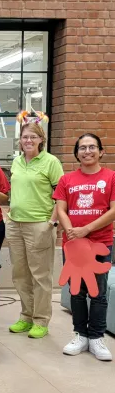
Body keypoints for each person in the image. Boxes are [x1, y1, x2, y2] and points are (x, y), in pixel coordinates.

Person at [54, 134, 115, 361]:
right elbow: (61, 209)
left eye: (92, 147)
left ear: (101, 151)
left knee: (97, 291)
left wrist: (86, 230)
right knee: (76, 292)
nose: (87, 151)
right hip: (73, 246)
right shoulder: (67, 180)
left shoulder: (111, 177)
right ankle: (80, 334)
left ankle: (96, 337)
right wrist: (72, 231)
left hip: (100, 243)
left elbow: (113, 210)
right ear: (76, 152)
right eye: (82, 147)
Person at [6, 122, 63, 339]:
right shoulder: (17, 162)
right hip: (15, 224)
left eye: (33, 137)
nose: (28, 140)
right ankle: (26, 316)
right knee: (20, 274)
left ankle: (41, 320)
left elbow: (61, 196)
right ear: (20, 140)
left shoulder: (51, 162)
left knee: (40, 275)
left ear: (41, 140)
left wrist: (52, 223)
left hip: (40, 224)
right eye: (24, 137)